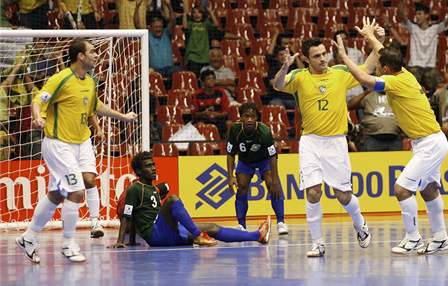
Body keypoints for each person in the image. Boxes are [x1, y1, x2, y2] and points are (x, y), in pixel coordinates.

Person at [335, 18, 448, 255]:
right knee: (429, 189)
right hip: (430, 140)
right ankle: (440, 238)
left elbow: (364, 79)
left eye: (379, 65)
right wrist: (371, 37)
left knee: (401, 189)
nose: (377, 65)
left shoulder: (394, 82)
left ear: (386, 70)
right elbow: (383, 53)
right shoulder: (404, 73)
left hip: (430, 142)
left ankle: (413, 238)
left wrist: (344, 57)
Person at [16, 39, 137, 263]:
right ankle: (68, 244)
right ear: (80, 56)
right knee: (77, 190)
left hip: (82, 143)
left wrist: (121, 117)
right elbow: (38, 99)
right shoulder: (60, 79)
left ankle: (29, 236)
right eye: (92, 52)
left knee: (58, 193)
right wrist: (37, 116)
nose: (97, 55)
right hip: (58, 144)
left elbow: (96, 106)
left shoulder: (89, 81)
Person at [272, 20, 382, 257]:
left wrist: (376, 43)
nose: (323, 59)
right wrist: (284, 67)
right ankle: (318, 243)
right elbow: (278, 85)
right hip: (311, 141)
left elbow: (367, 70)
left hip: (335, 142)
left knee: (343, 196)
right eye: (317, 56)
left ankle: (360, 223)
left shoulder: (340, 73)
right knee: (313, 192)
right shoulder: (300, 76)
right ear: (307, 58)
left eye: (324, 54)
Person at [111, 151, 271, 248]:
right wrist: (122, 241)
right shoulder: (134, 188)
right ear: (138, 171)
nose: (153, 168)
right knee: (173, 200)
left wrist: (132, 241)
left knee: (212, 227)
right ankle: (197, 236)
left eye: (153, 164)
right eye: (148, 166)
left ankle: (257, 236)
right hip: (156, 236)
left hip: (168, 234)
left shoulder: (153, 188)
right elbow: (127, 216)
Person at [226, 103, 288, 235]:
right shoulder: (235, 130)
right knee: (241, 187)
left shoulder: (265, 132)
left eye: (252, 116)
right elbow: (230, 154)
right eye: (246, 116)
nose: (249, 119)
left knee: (272, 185)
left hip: (264, 160)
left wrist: (276, 180)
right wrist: (230, 176)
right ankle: (241, 225)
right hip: (245, 161)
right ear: (241, 118)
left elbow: (272, 156)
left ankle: (281, 222)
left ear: (257, 118)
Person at [398, 2, 448, 96]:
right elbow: (401, 15)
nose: (417, 16)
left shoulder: (435, 29)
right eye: (416, 14)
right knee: (409, 83)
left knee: (440, 85)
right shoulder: (413, 28)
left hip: (430, 68)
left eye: (419, 14)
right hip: (414, 67)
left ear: (427, 15)